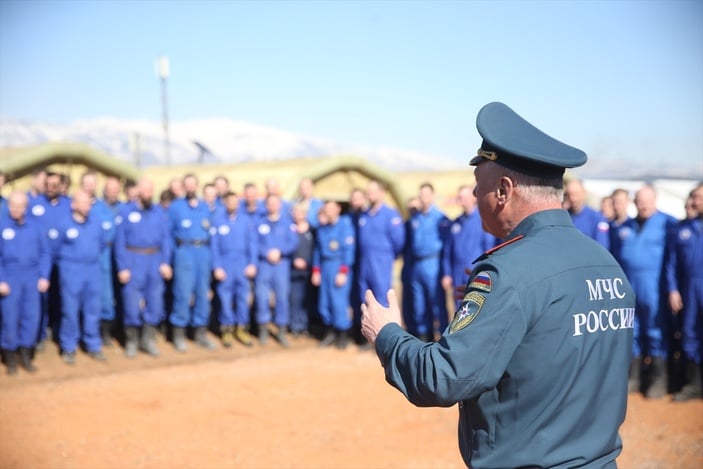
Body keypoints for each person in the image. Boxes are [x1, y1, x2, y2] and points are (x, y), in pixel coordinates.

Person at [361, 102, 635, 468]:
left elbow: (442, 376)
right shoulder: (605, 263)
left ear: (504, 190)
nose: (475, 197)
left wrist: (387, 334)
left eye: (479, 186)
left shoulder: (509, 271)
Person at [611, 184, 677, 398]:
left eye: (647, 200)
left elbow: (674, 260)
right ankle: (635, 377)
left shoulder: (668, 224)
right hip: (629, 286)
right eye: (639, 200)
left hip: (654, 287)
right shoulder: (625, 226)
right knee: (632, 330)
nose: (643, 204)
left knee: (655, 330)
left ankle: (658, 380)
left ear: (655, 200)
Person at [114, 178, 173, 358]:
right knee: (131, 303)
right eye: (145, 191)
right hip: (133, 259)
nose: (148, 195)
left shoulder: (159, 212)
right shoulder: (125, 212)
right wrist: (122, 267)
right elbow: (119, 242)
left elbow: (166, 240)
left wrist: (166, 262)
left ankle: (148, 340)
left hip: (154, 260)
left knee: (154, 302)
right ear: (138, 191)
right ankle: (132, 340)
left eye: (151, 191)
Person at [54, 190, 109, 364]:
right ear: (74, 204)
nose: (87, 207)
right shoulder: (64, 224)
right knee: (70, 311)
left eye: (89, 203)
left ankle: (93, 344)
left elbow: (101, 244)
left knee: (93, 309)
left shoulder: (96, 223)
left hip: (92, 269)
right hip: (71, 270)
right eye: (83, 203)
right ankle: (69, 346)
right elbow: (54, 249)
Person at [0, 191, 51, 375]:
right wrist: (1, 280)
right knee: (10, 317)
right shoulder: (2, 226)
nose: (15, 209)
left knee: (31, 317)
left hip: (31, 277)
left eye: (19, 206)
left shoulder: (35, 227)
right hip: (10, 276)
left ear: (25, 207)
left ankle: (26, 354)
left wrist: (44, 276)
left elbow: (45, 253)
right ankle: (10, 356)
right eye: (12, 205)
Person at [167, 173, 216, 352]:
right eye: (186, 184)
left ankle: (200, 332)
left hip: (203, 251)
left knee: (203, 294)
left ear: (197, 186)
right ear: (183, 187)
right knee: (183, 293)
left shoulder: (205, 207)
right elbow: (168, 235)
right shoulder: (176, 207)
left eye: (192, 184)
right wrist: (169, 259)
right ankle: (179, 333)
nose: (190, 188)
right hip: (184, 252)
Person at [665, 183, 703, 401]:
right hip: (690, 289)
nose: (694, 201)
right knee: (690, 334)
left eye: (698, 197)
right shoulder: (683, 229)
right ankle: (693, 384)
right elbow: (671, 264)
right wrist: (673, 289)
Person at [355, 180, 405, 346]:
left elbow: (398, 241)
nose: (370, 195)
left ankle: (385, 339)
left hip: (381, 262)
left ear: (381, 193)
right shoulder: (364, 215)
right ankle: (367, 337)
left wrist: (388, 256)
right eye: (367, 192)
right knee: (365, 297)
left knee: (382, 298)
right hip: (365, 262)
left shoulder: (390, 215)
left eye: (373, 191)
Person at [210, 191, 258, 348]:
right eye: (229, 201)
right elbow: (214, 246)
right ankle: (227, 330)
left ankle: (242, 329)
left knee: (242, 298)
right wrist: (217, 266)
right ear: (224, 203)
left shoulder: (246, 220)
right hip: (225, 263)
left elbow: (252, 244)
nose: (232, 204)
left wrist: (252, 264)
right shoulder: (217, 221)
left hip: (242, 263)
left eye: (235, 201)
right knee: (225, 299)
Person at [405, 183, 451, 340]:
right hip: (417, 264)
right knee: (419, 304)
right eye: (421, 195)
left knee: (436, 303)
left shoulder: (441, 218)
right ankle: (424, 338)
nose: (423, 199)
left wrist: (446, 271)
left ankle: (443, 338)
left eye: (426, 195)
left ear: (432, 196)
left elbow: (447, 247)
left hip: (433, 263)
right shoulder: (414, 219)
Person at [441, 184, 497, 310]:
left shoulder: (484, 220)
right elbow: (448, 250)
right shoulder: (456, 223)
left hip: (476, 272)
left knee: (476, 309)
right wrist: (447, 273)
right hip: (457, 272)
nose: (461, 200)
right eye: (459, 197)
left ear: (473, 198)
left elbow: (490, 248)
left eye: (464, 197)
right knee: (459, 310)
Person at [254, 194, 299, 347]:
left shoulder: (288, 223)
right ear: (266, 205)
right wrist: (266, 252)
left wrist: (280, 251)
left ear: (280, 205)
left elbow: (293, 243)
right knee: (262, 297)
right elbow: (254, 244)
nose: (272, 206)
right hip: (264, 265)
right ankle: (263, 331)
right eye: (270, 203)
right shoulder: (259, 223)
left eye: (275, 203)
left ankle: (281, 331)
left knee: (282, 298)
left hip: (281, 264)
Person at [311, 200, 355, 349]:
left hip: (338, 265)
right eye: (326, 208)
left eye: (332, 208)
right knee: (324, 302)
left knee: (338, 302)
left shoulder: (345, 225)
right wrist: (316, 271)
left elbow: (349, 250)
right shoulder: (322, 229)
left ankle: (342, 334)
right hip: (325, 266)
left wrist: (343, 271)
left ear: (338, 209)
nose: (329, 211)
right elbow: (317, 250)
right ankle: (329, 332)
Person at [289, 202, 315, 338]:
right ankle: (294, 325)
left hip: (308, 271)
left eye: (300, 212)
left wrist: (309, 263)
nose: (297, 215)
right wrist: (294, 260)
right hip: (293, 271)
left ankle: (305, 325)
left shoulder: (312, 230)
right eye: (295, 212)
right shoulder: (289, 228)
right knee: (294, 299)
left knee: (307, 299)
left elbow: (316, 249)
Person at [563, 178, 610, 249]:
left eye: (576, 194)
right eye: (569, 195)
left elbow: (602, 247)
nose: (573, 198)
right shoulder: (564, 216)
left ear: (584, 193)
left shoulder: (597, 218)